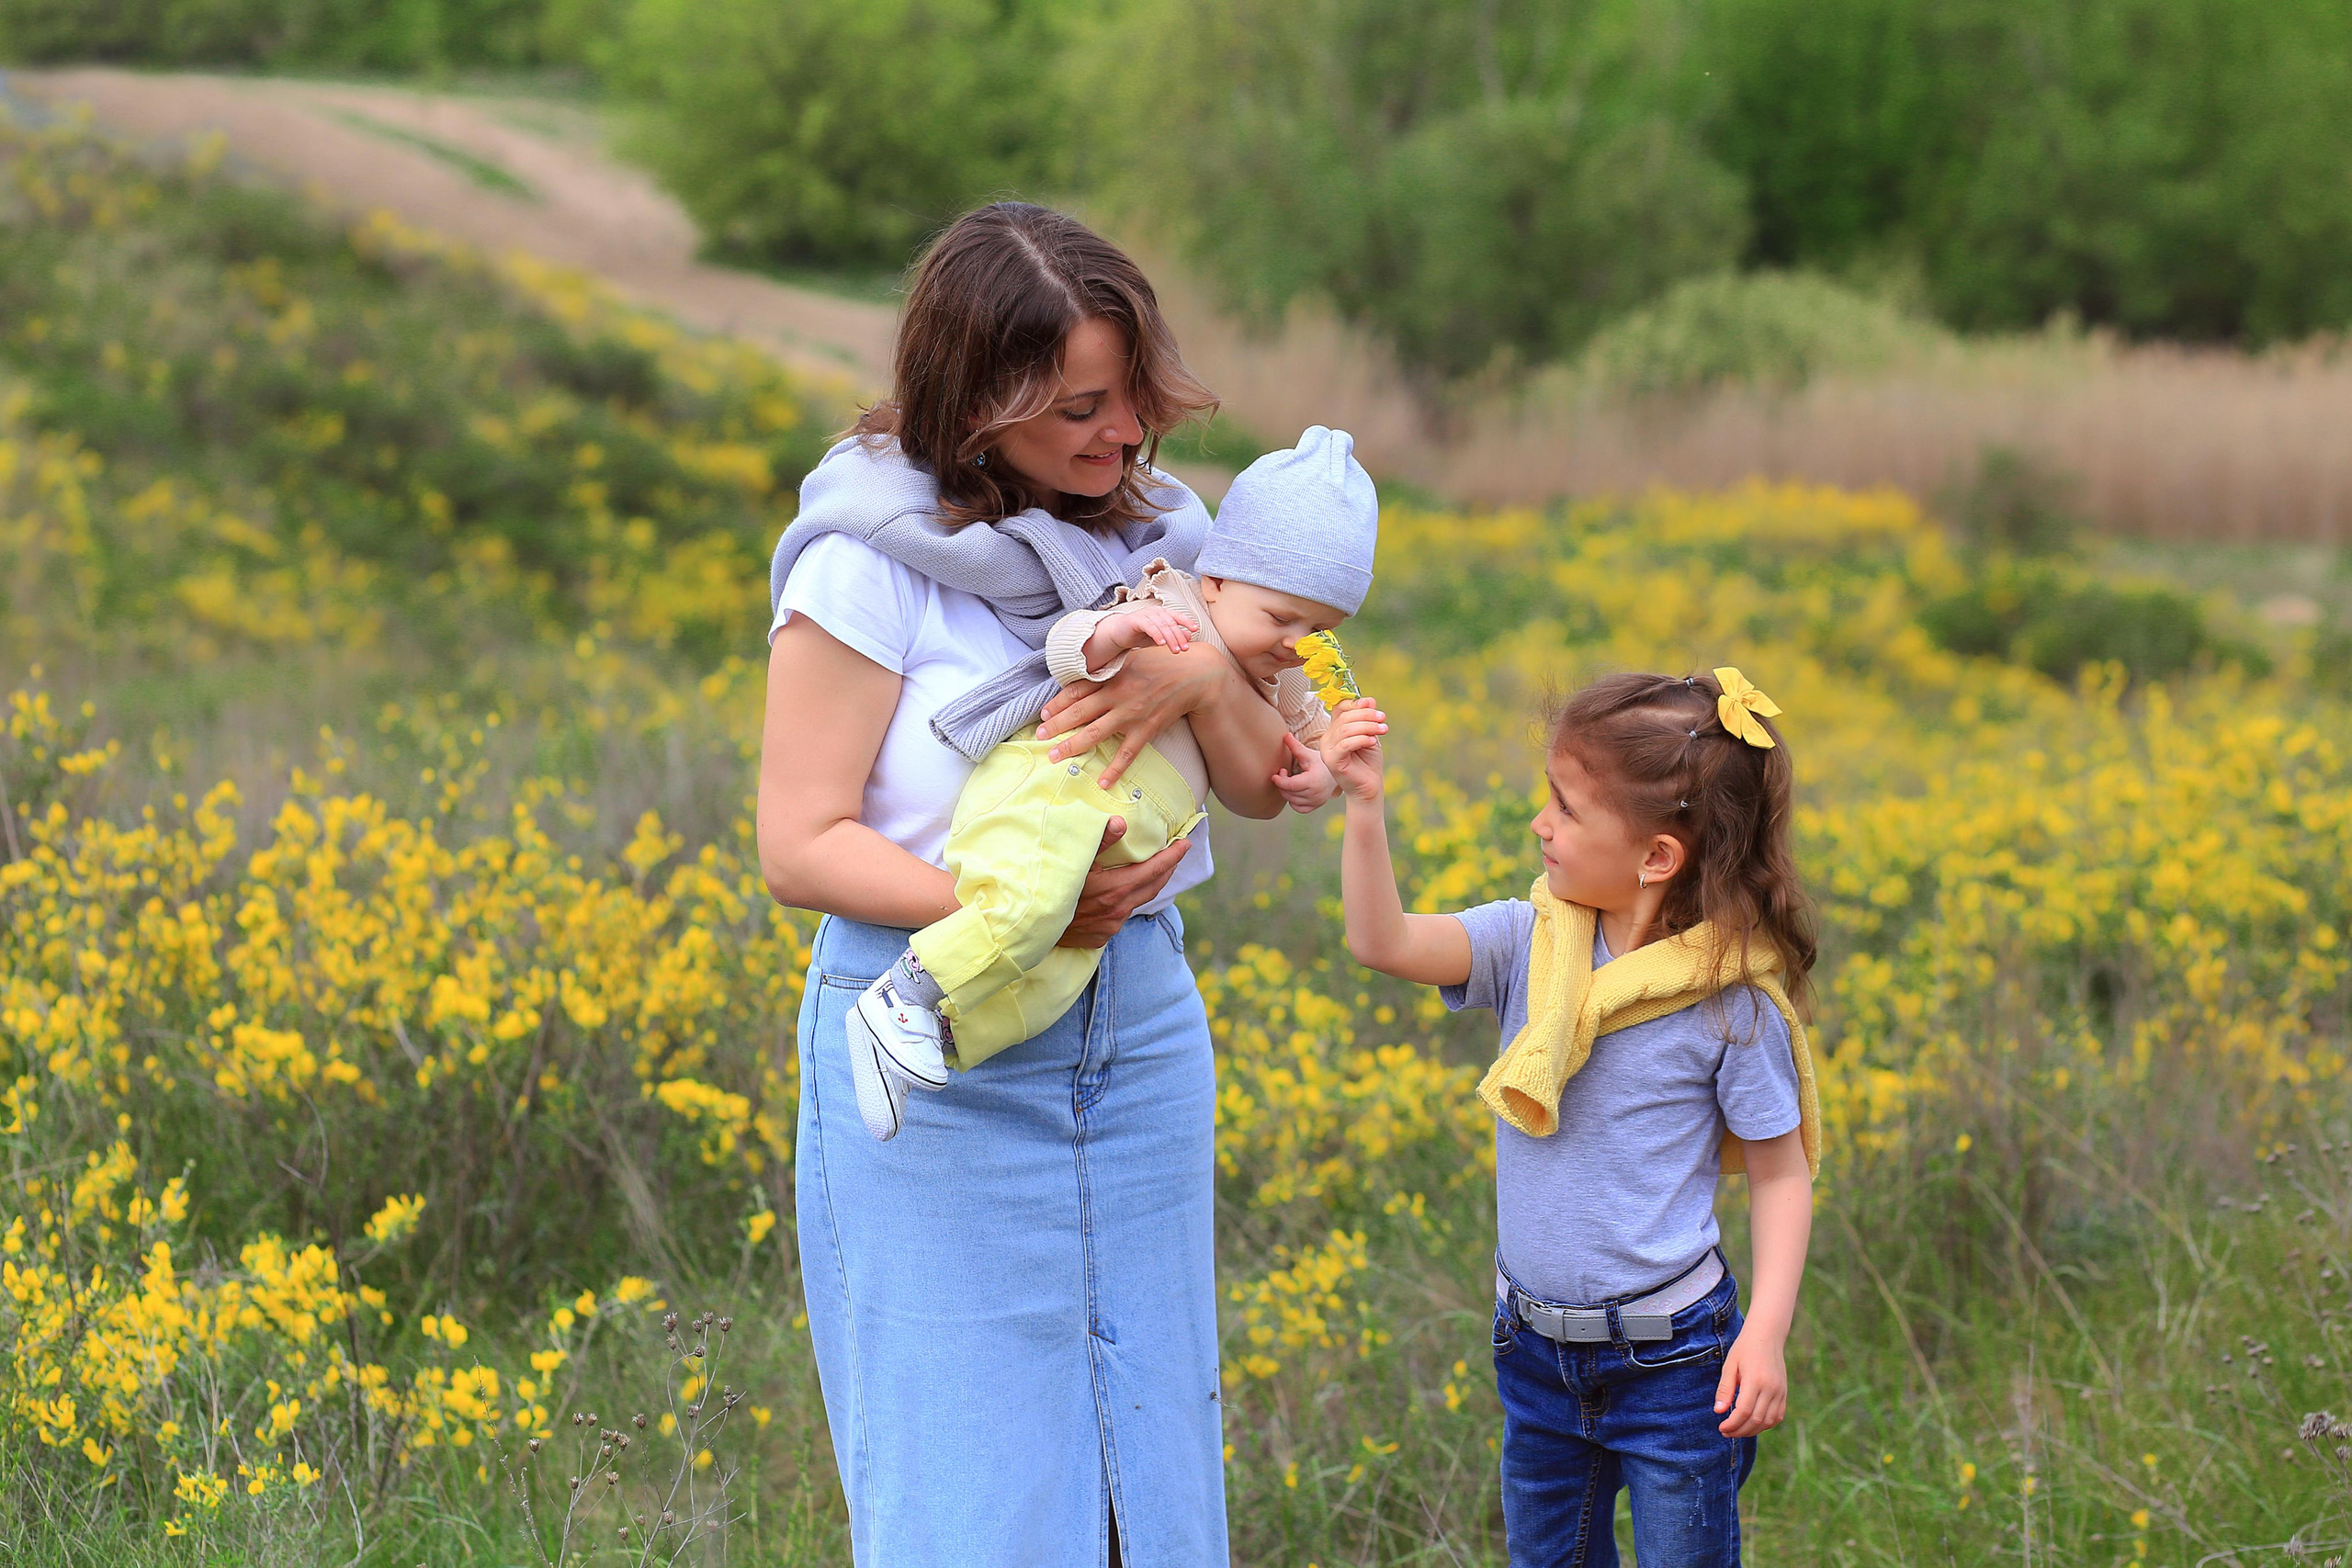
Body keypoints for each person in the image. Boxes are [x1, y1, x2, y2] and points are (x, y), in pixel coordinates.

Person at [756, 202, 1295, 1566]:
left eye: (1136, 399)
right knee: (970, 1489)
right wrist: (1028, 913)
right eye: (1081, 409)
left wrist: (1204, 670)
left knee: (1147, 1470)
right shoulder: (864, 560)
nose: (1126, 439)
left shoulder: (1165, 531)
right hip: (930, 1050)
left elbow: (1250, 779)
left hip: (1141, 1031)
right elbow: (800, 841)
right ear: (978, 401)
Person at [1322, 668, 1821, 1567]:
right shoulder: (1527, 943)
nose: (1538, 823)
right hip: (1534, 1355)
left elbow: (1781, 1172)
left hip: (1676, 1364)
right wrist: (1364, 806)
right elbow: (1380, 940)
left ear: (1656, 857)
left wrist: (1767, 1330)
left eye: (1564, 807)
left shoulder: (1726, 1004)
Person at [844, 426, 1379, 1140]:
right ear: (1217, 579)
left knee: (1051, 978)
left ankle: (934, 1038)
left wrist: (1320, 772)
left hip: (1115, 834)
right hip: (1061, 786)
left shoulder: (1281, 678)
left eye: (1323, 628)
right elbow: (1065, 650)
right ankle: (904, 992)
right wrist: (1120, 630)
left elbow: (1281, 772)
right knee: (1028, 912)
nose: (1295, 643)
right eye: (1283, 617)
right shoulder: (1173, 602)